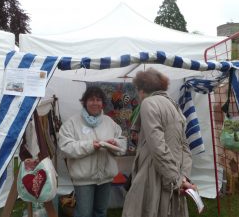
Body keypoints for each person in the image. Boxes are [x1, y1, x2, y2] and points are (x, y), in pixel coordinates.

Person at [122, 68, 196, 217]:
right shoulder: (174, 106)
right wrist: (183, 176)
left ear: (142, 89)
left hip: (155, 172)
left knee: (150, 209)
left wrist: (175, 180)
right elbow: (185, 146)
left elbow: (158, 147)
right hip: (174, 170)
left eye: (138, 90)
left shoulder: (148, 103)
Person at [58, 86, 127, 217]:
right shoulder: (72, 123)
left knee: (101, 212)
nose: (95, 103)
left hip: (105, 178)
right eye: (91, 99)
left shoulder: (109, 122)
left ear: (103, 103)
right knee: (84, 213)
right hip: (83, 179)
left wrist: (115, 143)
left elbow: (123, 144)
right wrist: (90, 146)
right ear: (85, 102)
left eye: (98, 99)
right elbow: (65, 147)